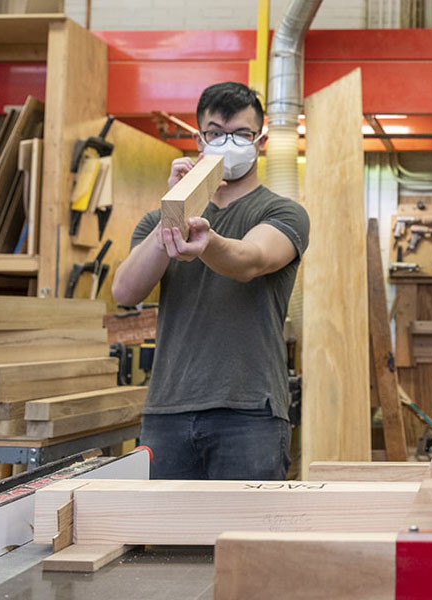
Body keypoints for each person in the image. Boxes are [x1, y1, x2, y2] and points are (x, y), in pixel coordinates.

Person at [112, 82, 309, 481]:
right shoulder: (159, 221)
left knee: (245, 539)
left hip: (249, 412)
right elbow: (125, 291)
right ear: (199, 139)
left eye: (241, 134)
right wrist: (177, 207)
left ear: (261, 140)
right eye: (217, 133)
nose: (228, 142)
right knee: (162, 541)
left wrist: (208, 242)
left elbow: (251, 260)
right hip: (167, 411)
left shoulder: (283, 211)